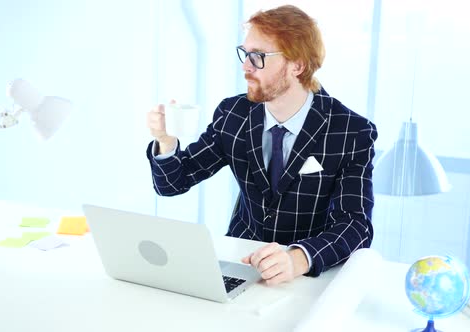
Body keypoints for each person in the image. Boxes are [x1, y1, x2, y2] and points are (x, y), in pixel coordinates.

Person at [146, 5, 377, 284]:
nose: (245, 66)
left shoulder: (351, 131)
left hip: (307, 276)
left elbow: (356, 224)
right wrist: (166, 141)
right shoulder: (234, 115)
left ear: (297, 65)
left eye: (258, 57)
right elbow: (173, 183)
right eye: (245, 54)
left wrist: (299, 258)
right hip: (239, 267)